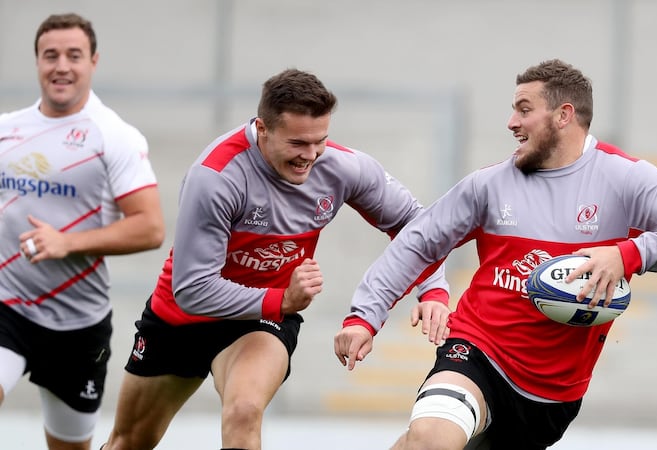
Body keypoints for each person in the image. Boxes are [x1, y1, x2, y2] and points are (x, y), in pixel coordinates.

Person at [334, 59, 657, 449]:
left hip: (552, 396)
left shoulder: (624, 178)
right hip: (477, 351)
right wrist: (364, 316)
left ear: (563, 115)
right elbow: (417, 244)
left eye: (524, 110)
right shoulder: (488, 185)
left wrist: (628, 254)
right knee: (433, 438)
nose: (511, 122)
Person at [101, 68, 450, 450]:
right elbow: (192, 289)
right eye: (298, 143)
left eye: (321, 140)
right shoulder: (216, 176)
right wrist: (282, 300)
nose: (311, 156)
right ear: (262, 129)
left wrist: (432, 289)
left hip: (259, 322)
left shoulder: (342, 166)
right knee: (128, 442)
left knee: (244, 410)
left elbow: (417, 224)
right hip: (182, 317)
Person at [0, 12, 165, 450]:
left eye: (74, 55)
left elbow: (150, 227)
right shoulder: (7, 130)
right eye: (50, 55)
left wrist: (66, 242)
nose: (61, 66)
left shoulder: (114, 136)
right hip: (8, 307)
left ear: (93, 61)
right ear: (36, 62)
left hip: (77, 326)